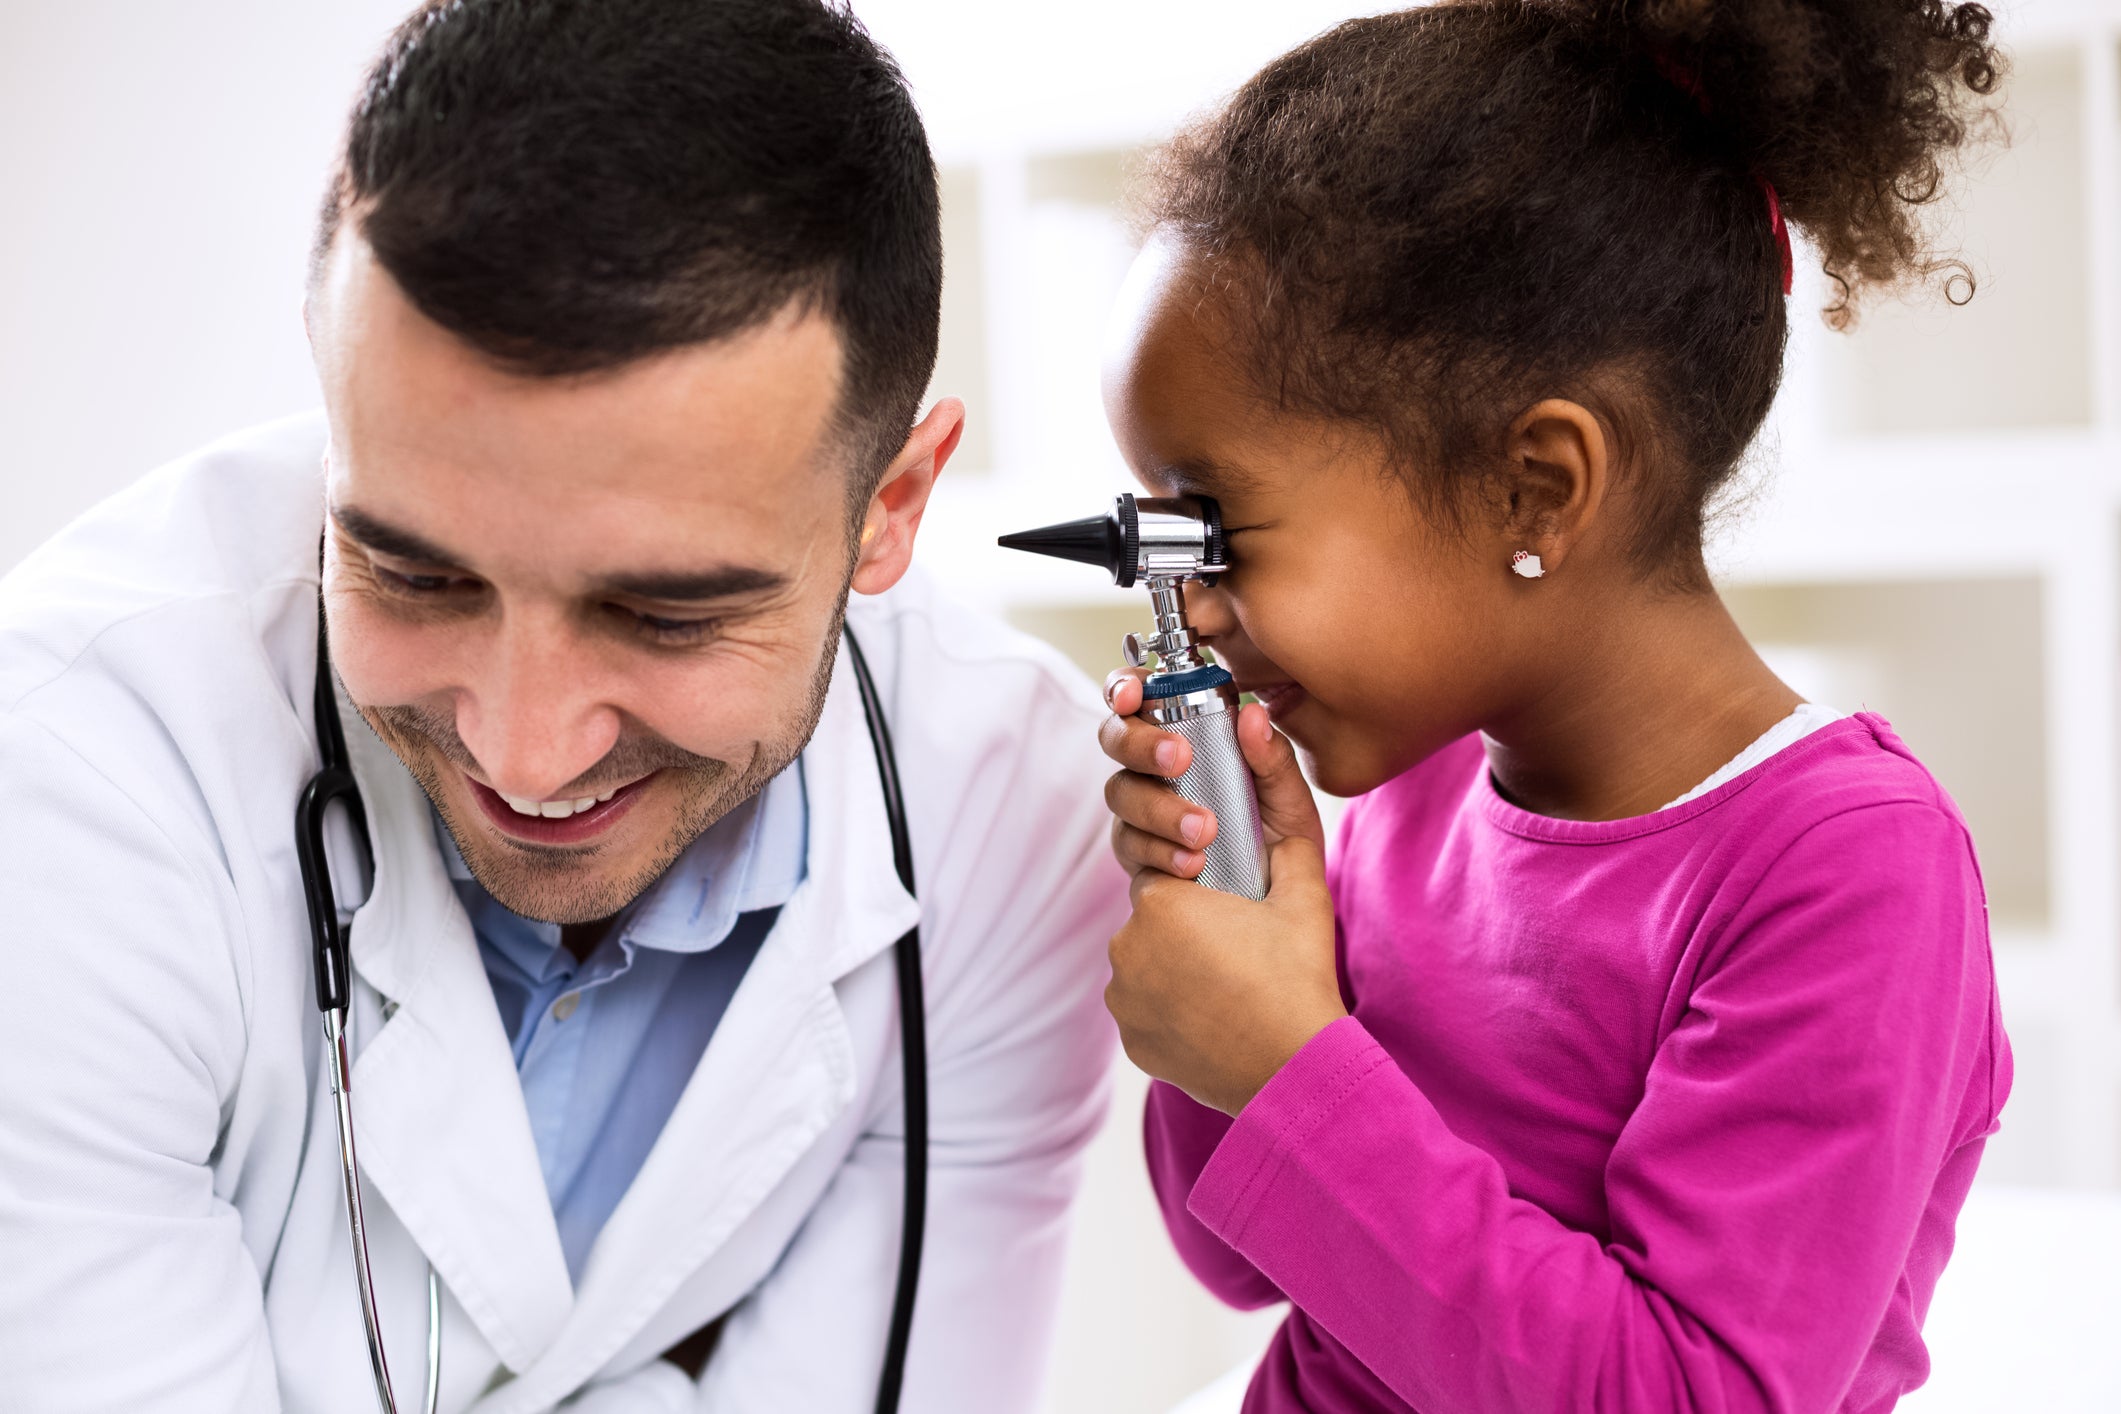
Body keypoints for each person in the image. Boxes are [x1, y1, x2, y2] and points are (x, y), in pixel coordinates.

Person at [0, 1, 1123, 1410]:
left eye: (662, 612)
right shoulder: (64, 779)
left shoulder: (1007, 812)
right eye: (411, 574)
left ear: (890, 505)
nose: (522, 750)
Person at [1092, 2, 2011, 1410]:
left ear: (1538, 487)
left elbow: (1684, 1391)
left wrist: (1284, 1060)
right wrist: (1239, 948)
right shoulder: (1410, 795)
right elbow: (1244, 1256)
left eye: (1218, 527)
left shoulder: (1844, 870)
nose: (1192, 601)